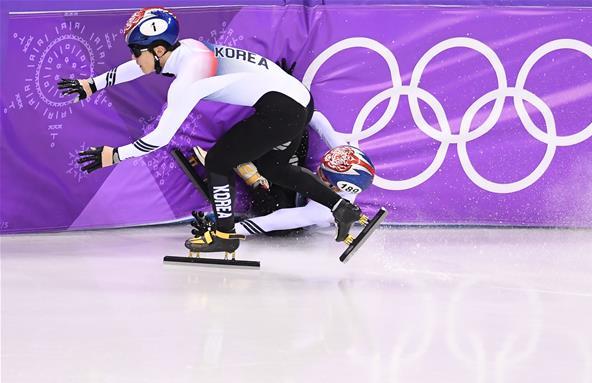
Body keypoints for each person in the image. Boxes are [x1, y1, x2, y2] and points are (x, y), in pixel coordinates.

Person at [57, 6, 365, 258]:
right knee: (272, 167)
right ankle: (341, 208)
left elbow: (159, 139)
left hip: (283, 110)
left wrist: (115, 155)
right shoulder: (188, 47)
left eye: (136, 52)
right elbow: (141, 67)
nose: (133, 59)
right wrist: (93, 84)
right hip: (297, 100)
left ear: (159, 49)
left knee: (218, 160)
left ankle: (223, 235)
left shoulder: (188, 81)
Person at [192, 145, 376, 237]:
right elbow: (318, 119)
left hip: (289, 209)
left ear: (338, 188)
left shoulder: (321, 213)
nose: (319, 173)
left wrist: (228, 231)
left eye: (324, 176)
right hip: (296, 184)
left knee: (283, 226)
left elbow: (275, 220)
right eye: (321, 168)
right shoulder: (346, 157)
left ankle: (255, 179)